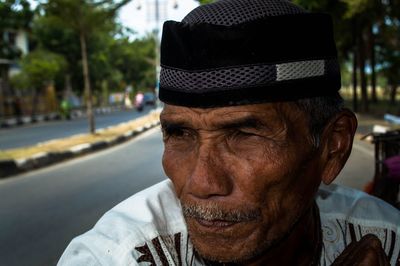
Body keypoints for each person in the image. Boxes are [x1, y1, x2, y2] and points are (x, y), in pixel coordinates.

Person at [58, 0, 400, 265]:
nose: (202, 184)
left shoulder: (390, 241)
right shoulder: (113, 256)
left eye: (244, 135)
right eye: (180, 134)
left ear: (332, 146)